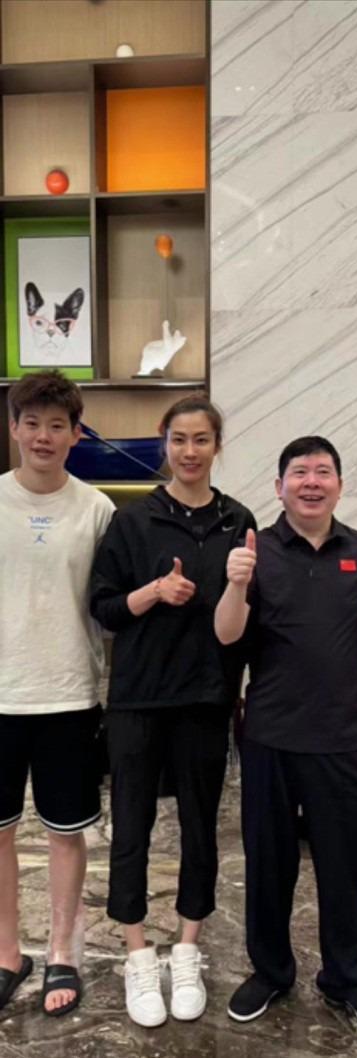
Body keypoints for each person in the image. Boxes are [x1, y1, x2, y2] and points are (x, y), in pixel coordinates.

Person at [214, 435, 357, 1035]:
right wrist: (235, 583)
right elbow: (226, 635)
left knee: (345, 868)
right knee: (269, 864)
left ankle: (346, 978)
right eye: (299, 472)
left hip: (344, 736)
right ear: (279, 486)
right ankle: (270, 972)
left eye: (323, 472)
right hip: (271, 734)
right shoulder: (255, 550)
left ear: (339, 486)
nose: (311, 482)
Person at [90, 393, 256, 1028]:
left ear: (217, 446)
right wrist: (154, 591)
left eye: (201, 440)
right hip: (138, 698)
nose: (190, 451)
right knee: (130, 826)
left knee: (200, 827)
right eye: (179, 439)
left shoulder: (238, 520)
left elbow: (245, 623)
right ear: (164, 444)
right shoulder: (133, 521)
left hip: (206, 699)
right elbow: (104, 608)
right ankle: (137, 953)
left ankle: (187, 948)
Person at [0, 370, 114, 1017]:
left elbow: (109, 607)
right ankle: (6, 953)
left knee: (66, 833)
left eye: (57, 425)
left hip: (69, 693)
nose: (43, 436)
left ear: (75, 435)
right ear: (14, 428)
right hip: (0, 695)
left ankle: (62, 951)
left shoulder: (96, 510)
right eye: (32, 423)